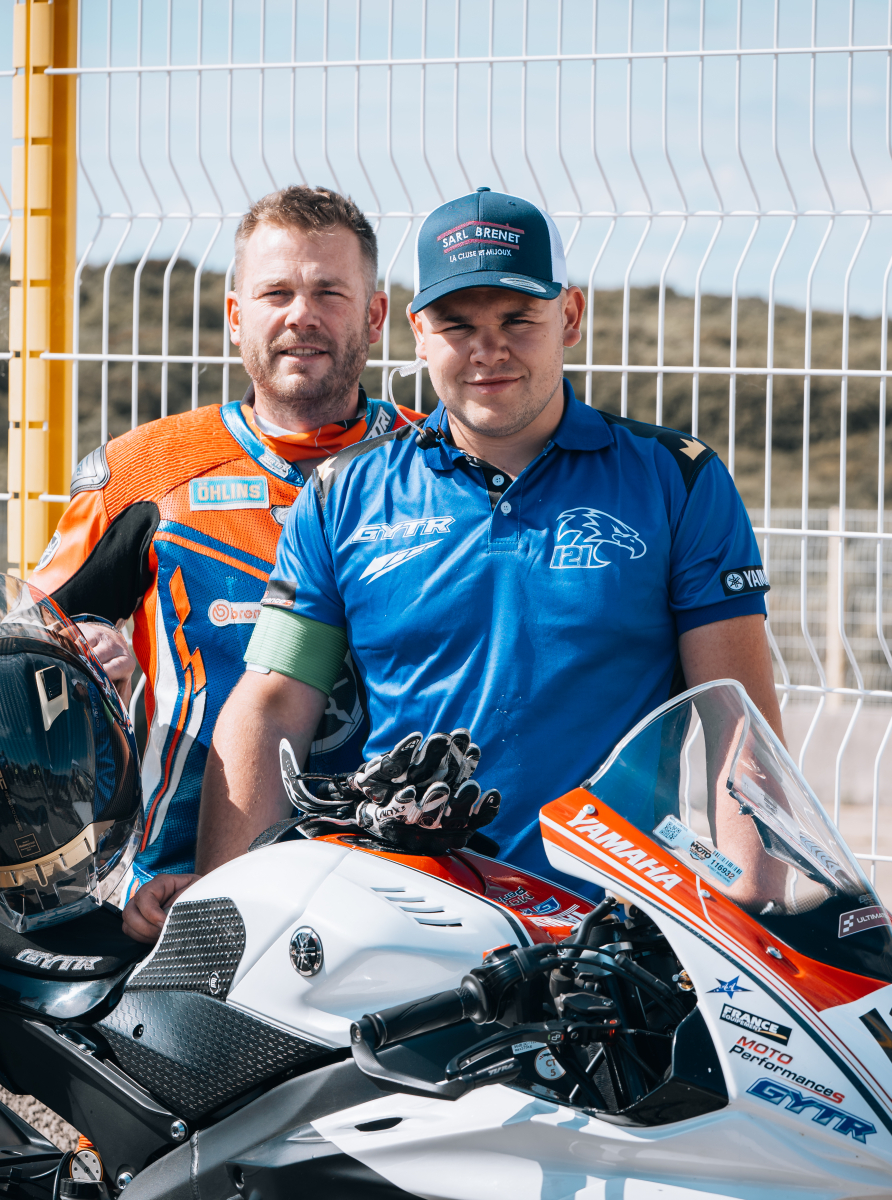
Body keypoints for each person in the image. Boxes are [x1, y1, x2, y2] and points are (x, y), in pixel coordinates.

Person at [196, 186, 783, 885]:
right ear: (418, 333)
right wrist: (220, 917)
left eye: (517, 319)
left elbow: (741, 724)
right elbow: (270, 704)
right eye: (456, 325)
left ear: (570, 316)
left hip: (615, 922)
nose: (489, 350)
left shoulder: (678, 480)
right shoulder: (340, 493)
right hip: (401, 909)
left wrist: (756, 905)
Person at [28, 185, 421, 941]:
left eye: (329, 292)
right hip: (172, 896)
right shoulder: (146, 472)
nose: (301, 315)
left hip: (394, 893)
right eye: (276, 293)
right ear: (237, 315)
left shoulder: (437, 467)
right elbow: (17, 649)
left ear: (374, 316)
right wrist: (84, 657)